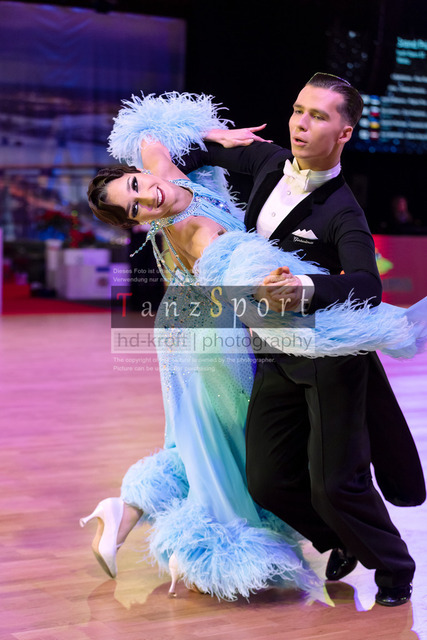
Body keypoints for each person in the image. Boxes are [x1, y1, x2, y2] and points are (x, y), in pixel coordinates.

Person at [82, 84, 426, 604]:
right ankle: (213, 536)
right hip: (223, 330)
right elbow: (238, 269)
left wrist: (210, 135)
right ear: (136, 223)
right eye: (297, 111)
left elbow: (155, 137)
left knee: (217, 444)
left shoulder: (176, 177)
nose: (145, 196)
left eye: (136, 184)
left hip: (270, 329)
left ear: (344, 133)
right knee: (233, 451)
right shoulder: (223, 203)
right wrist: (263, 283)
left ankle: (128, 511)